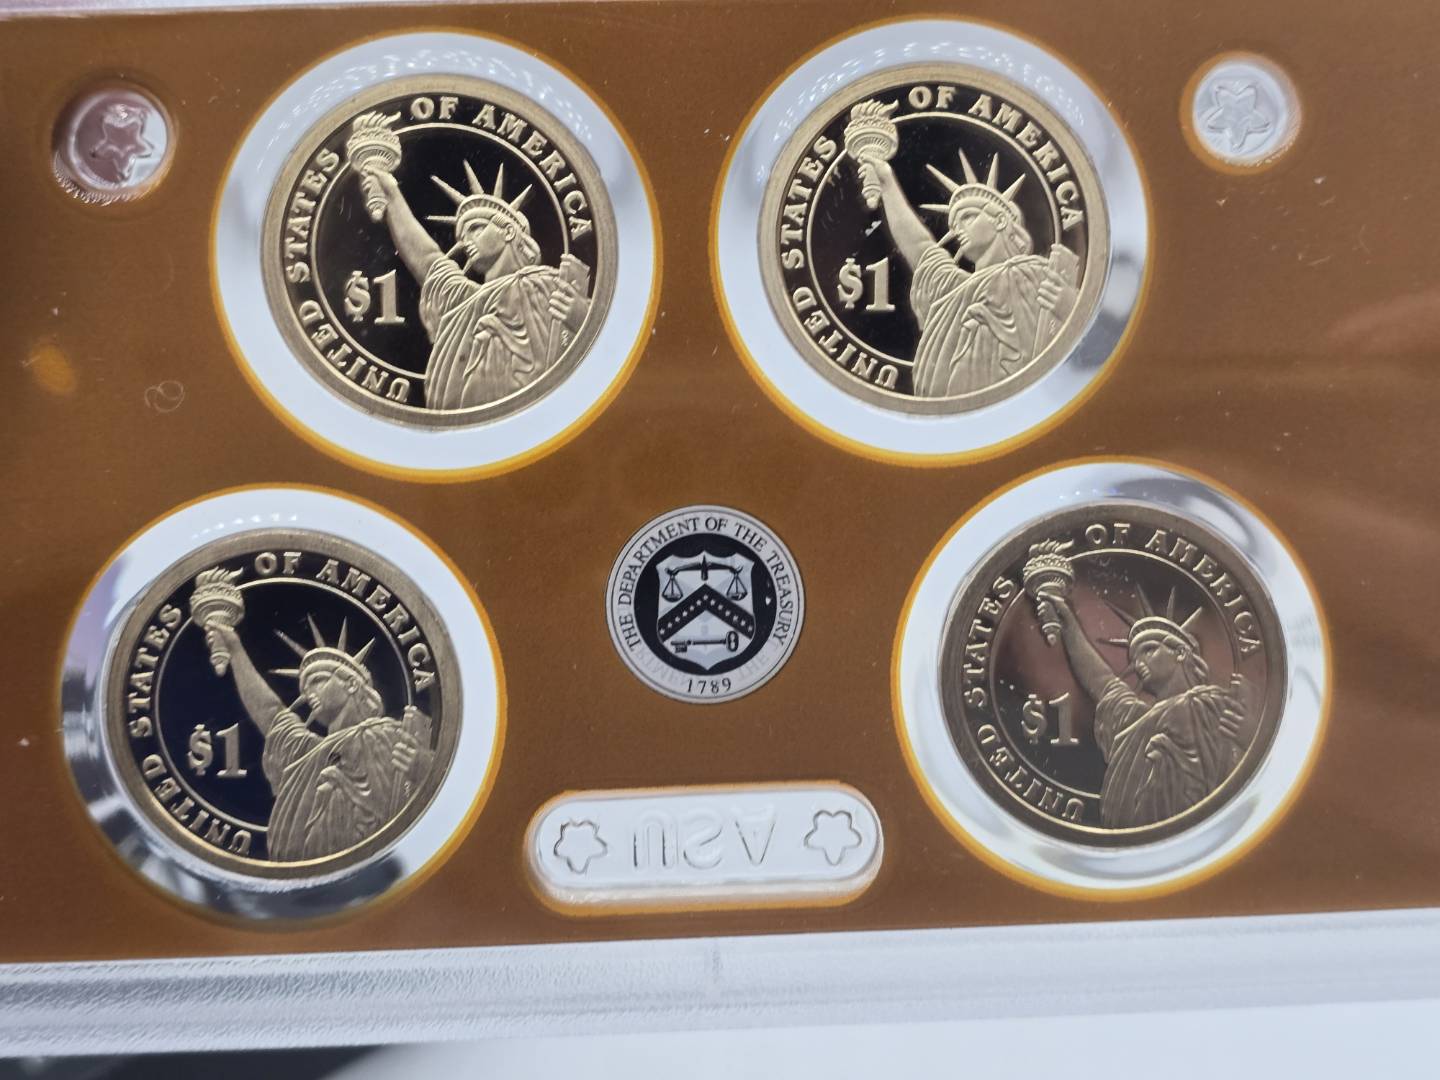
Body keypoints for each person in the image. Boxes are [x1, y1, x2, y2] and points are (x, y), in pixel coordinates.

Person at [362, 161, 589, 410]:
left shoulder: (543, 284)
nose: (465, 242)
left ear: (508, 232)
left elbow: (584, 358)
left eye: (475, 229)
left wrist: (581, 317)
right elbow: (427, 260)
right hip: (460, 424)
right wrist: (392, 194)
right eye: (462, 236)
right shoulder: (466, 301)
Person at [204, 616, 432, 861]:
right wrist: (236, 650)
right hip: (300, 875)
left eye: (317, 681)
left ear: (351, 684)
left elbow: (423, 802)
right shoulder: (308, 753)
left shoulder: (385, 735)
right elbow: (270, 713)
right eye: (305, 688)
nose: (308, 693)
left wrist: (422, 768)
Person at [857, 149, 1077, 397]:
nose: (957, 230)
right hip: (947, 412)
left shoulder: (1031, 273)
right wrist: (888, 184)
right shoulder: (956, 290)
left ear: (1000, 221)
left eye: (968, 217)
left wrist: (1069, 305)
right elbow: (920, 247)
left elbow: (1063, 358)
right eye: (954, 224)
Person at [1035, 590, 1247, 829]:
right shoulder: (1136, 718)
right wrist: (1068, 625)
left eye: (1148, 650)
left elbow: (1239, 767)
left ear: (1180, 653)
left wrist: (1248, 728)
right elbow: (1101, 681)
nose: (1138, 664)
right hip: (1131, 838)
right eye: (1135, 658)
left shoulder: (1210, 706)